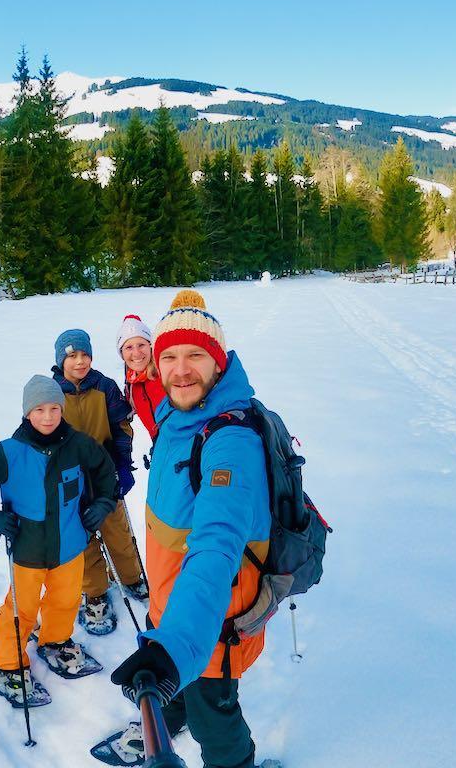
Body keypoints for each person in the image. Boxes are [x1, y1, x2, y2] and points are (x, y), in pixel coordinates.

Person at [110, 290, 272, 768]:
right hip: (171, 604)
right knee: (185, 697)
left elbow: (216, 547)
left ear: (218, 363)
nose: (181, 370)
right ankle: (169, 708)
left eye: (195, 356)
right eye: (170, 357)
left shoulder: (230, 441)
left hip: (210, 622)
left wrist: (175, 647)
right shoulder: (174, 416)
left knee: (214, 721)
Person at [0, 374, 117, 702]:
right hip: (27, 548)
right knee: (22, 608)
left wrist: (102, 503)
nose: (47, 416)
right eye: (39, 409)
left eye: (54, 408)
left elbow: (105, 472)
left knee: (65, 600)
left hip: (70, 543)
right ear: (27, 413)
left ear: (62, 409)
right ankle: (6, 662)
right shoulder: (10, 452)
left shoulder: (79, 445)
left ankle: (56, 641)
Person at [51, 328, 147, 635]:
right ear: (60, 360)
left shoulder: (104, 386)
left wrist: (123, 464)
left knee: (116, 530)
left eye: (85, 355)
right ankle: (94, 591)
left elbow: (121, 428)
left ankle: (131, 576)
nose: (80, 362)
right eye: (72, 356)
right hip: (70, 480)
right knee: (82, 538)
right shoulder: (52, 392)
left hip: (105, 474)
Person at [117, 314, 166, 440]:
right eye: (129, 347)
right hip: (159, 446)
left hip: (187, 445)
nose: (136, 353)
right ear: (122, 353)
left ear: (150, 346)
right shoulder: (131, 384)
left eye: (141, 345)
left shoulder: (165, 374)